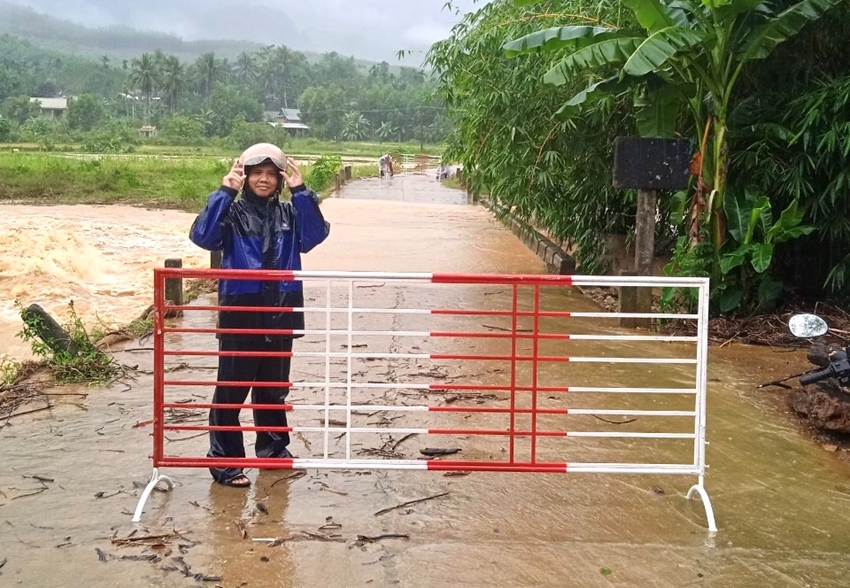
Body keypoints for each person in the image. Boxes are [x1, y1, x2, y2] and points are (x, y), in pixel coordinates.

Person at [189, 143, 330, 488]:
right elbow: (203, 236)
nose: (263, 180)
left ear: (279, 179)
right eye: (257, 173)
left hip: (281, 309)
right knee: (231, 391)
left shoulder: (291, 213)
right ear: (247, 176)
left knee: (273, 390)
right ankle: (226, 464)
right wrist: (226, 190)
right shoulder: (232, 213)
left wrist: (301, 191)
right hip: (241, 309)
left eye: (271, 174)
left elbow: (315, 236)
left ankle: (273, 454)